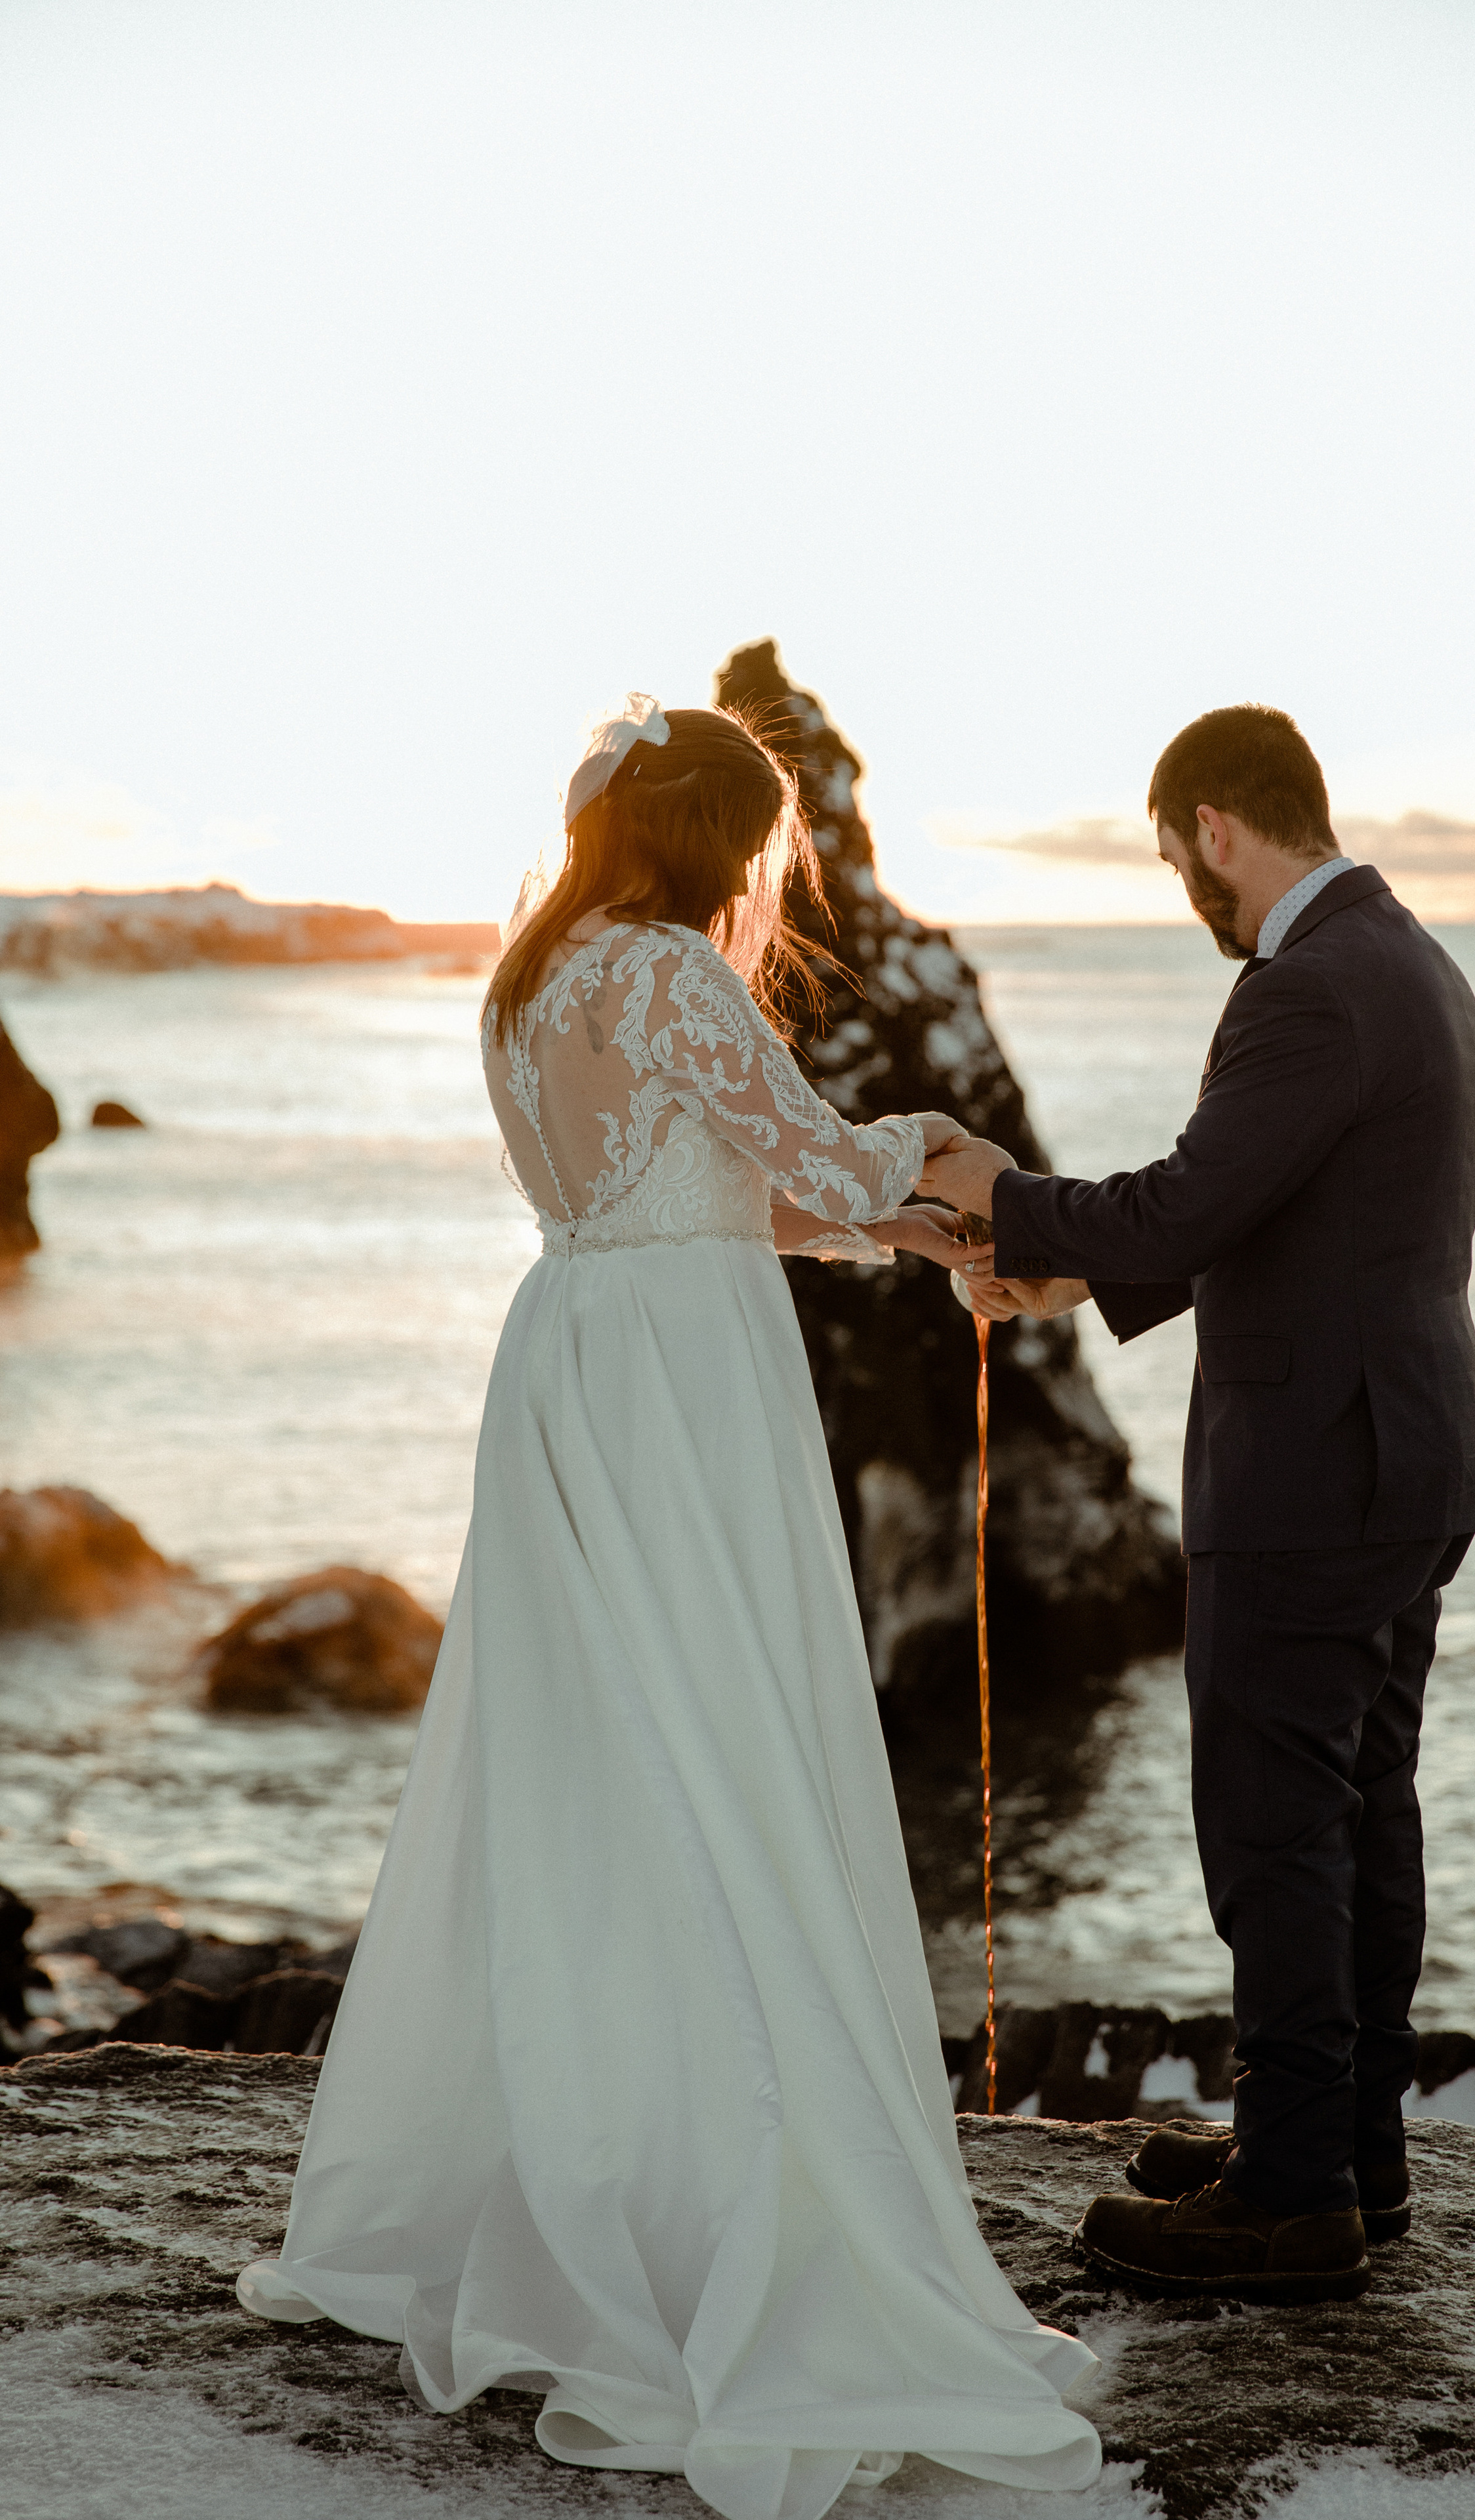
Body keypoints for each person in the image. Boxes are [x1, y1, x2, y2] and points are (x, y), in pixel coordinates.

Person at [238, 697, 1102, 2520]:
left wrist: (917, 1243)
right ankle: (730, 2195)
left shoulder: (535, 981)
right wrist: (945, 1157)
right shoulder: (672, 979)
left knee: (595, 1762)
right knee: (721, 1745)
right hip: (684, 1392)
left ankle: (586, 2153)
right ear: (719, 842)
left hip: (579, 1351)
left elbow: (721, 1197)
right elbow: (814, 1156)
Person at [925, 704, 1475, 2305]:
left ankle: (1293, 2195)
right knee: (1357, 1812)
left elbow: (1192, 1195)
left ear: (1213, 827)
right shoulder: (1412, 966)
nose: (1181, 883)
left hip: (1312, 1474)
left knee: (1271, 1832)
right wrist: (1060, 1279)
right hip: (1405, 1460)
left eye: (1172, 852)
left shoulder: (1303, 989)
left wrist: (998, 1195)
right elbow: (1272, 1213)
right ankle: (1338, 2150)